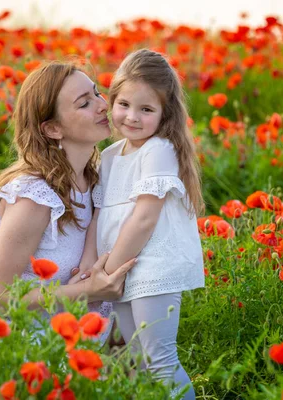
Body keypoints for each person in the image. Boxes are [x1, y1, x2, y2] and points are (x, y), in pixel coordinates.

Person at [0, 60, 136, 344]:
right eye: (84, 103)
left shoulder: (96, 178)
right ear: (53, 129)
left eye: (96, 93)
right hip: (3, 333)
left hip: (58, 317)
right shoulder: (35, 196)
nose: (103, 105)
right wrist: (90, 291)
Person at [78, 49, 205, 399]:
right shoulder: (108, 156)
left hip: (151, 268)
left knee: (160, 359)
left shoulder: (158, 149)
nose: (132, 117)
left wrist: (111, 267)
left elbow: (145, 217)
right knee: (134, 359)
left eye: (146, 109)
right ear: (112, 100)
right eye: (124, 104)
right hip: (119, 269)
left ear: (165, 114)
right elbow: (98, 214)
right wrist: (92, 264)